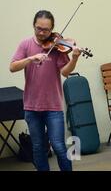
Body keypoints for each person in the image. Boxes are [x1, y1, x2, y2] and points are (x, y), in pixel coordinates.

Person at [9, 10, 81, 171]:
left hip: (53, 106)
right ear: (34, 26)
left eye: (46, 30)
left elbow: (65, 72)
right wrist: (30, 58)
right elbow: (12, 67)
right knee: (38, 148)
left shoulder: (57, 47)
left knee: (59, 147)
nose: (42, 33)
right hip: (31, 106)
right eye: (38, 28)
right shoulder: (25, 44)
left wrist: (75, 58)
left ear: (52, 28)